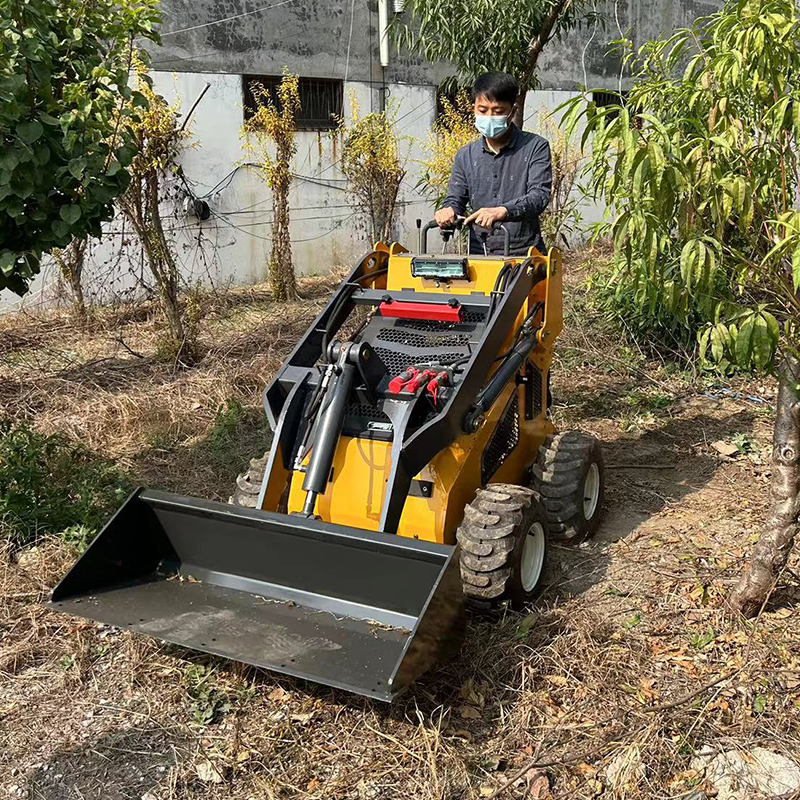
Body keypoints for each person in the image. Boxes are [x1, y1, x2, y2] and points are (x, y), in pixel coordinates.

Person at [434, 72, 552, 256]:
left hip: (525, 255)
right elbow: (455, 199)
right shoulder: (465, 156)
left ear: (512, 111)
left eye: (497, 112)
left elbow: (539, 196)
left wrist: (503, 211)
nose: (489, 117)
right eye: (482, 110)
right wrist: (447, 211)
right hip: (479, 254)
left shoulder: (535, 147)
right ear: (473, 108)